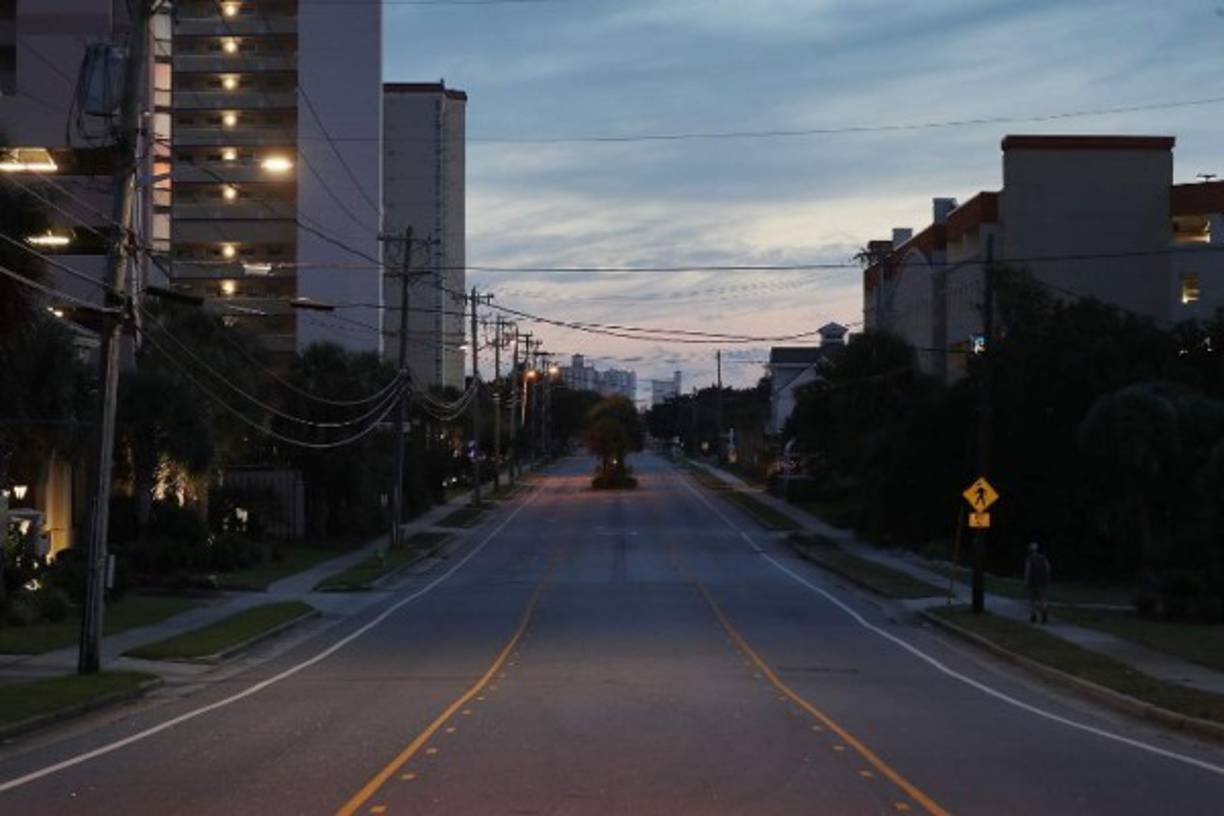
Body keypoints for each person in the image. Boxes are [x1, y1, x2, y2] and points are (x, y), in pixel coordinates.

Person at [1024, 542, 1052, 624]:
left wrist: (1026, 581)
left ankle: (1033, 616)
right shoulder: (1043, 558)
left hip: (1032, 582)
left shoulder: (1029, 559)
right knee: (1042, 599)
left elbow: (1027, 570)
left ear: (1030, 550)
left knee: (1031, 600)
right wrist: (1047, 579)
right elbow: (1048, 568)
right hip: (1042, 582)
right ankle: (1044, 613)